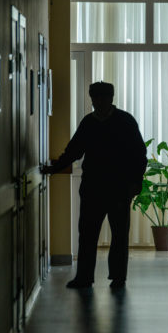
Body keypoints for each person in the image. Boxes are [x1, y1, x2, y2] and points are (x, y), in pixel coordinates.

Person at [41, 82, 147, 289]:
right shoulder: (88, 123)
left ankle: (118, 277)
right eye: (95, 98)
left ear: (111, 98)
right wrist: (55, 168)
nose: (98, 102)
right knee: (87, 234)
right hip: (93, 188)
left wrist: (136, 182)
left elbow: (139, 155)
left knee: (118, 235)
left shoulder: (125, 121)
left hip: (119, 188)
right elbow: (74, 151)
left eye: (102, 97)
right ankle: (84, 277)